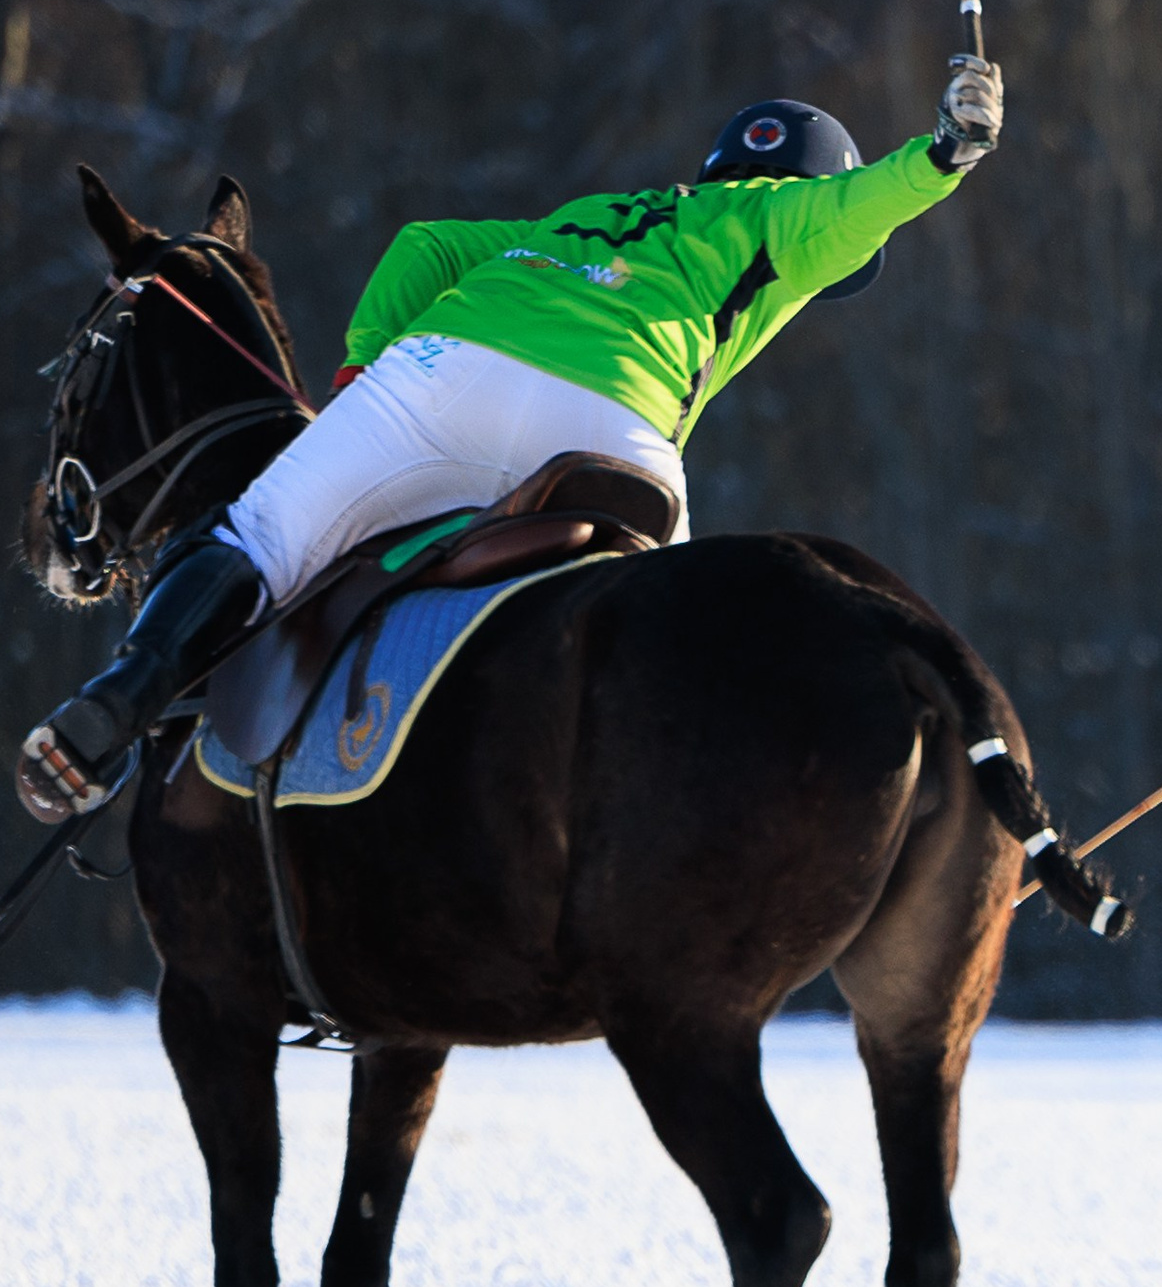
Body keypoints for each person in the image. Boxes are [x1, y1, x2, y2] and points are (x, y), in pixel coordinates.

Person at [17, 60, 1004, 825]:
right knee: (676, 654)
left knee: (256, 537)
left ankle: (109, 714)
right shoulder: (776, 218)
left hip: (447, 377)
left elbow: (425, 246)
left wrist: (365, 381)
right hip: (615, 425)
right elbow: (849, 208)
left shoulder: (584, 218)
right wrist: (944, 150)